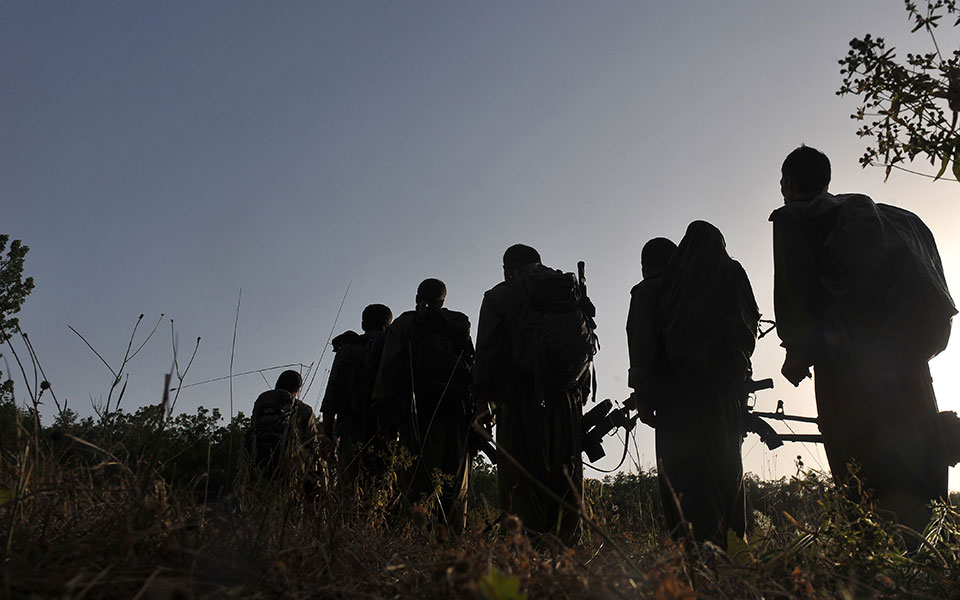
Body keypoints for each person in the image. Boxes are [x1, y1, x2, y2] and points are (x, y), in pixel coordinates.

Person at [772, 145, 954, 533]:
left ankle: (875, 570)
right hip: (909, 366)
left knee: (860, 468)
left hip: (847, 370)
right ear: (827, 179)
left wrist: (797, 352)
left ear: (787, 183)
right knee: (921, 458)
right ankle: (931, 565)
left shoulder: (795, 217)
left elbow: (795, 289)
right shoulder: (893, 220)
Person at [630, 224, 759, 548]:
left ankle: (698, 565)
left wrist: (644, 396)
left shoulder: (650, 291)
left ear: (646, 266)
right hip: (729, 396)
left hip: (679, 401)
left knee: (686, 483)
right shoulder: (723, 279)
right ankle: (736, 556)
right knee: (728, 475)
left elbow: (643, 346)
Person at [474, 244, 596, 545]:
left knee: (521, 481)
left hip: (518, 401)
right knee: (566, 477)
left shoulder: (498, 296)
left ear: (507, 268)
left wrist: (482, 402)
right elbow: (586, 348)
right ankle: (567, 556)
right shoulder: (568, 291)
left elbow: (487, 354)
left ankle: (526, 559)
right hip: (566, 400)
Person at [373, 279, 474, 531]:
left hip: (415, 415)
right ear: (444, 299)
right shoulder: (459, 324)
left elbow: (389, 370)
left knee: (415, 482)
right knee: (455, 486)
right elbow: (472, 369)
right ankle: (451, 544)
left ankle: (415, 541)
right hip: (455, 416)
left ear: (417, 297)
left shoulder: (405, 324)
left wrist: (385, 418)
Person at [320, 304, 393, 496]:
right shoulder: (393, 349)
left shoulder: (349, 350)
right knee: (381, 491)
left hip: (351, 427)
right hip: (384, 430)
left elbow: (332, 392)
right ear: (388, 325)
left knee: (348, 489)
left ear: (362, 324)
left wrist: (327, 435)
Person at [248, 370, 321, 492]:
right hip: (289, 471)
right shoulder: (304, 410)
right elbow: (312, 445)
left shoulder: (261, 404)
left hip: (258, 467)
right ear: (297, 389)